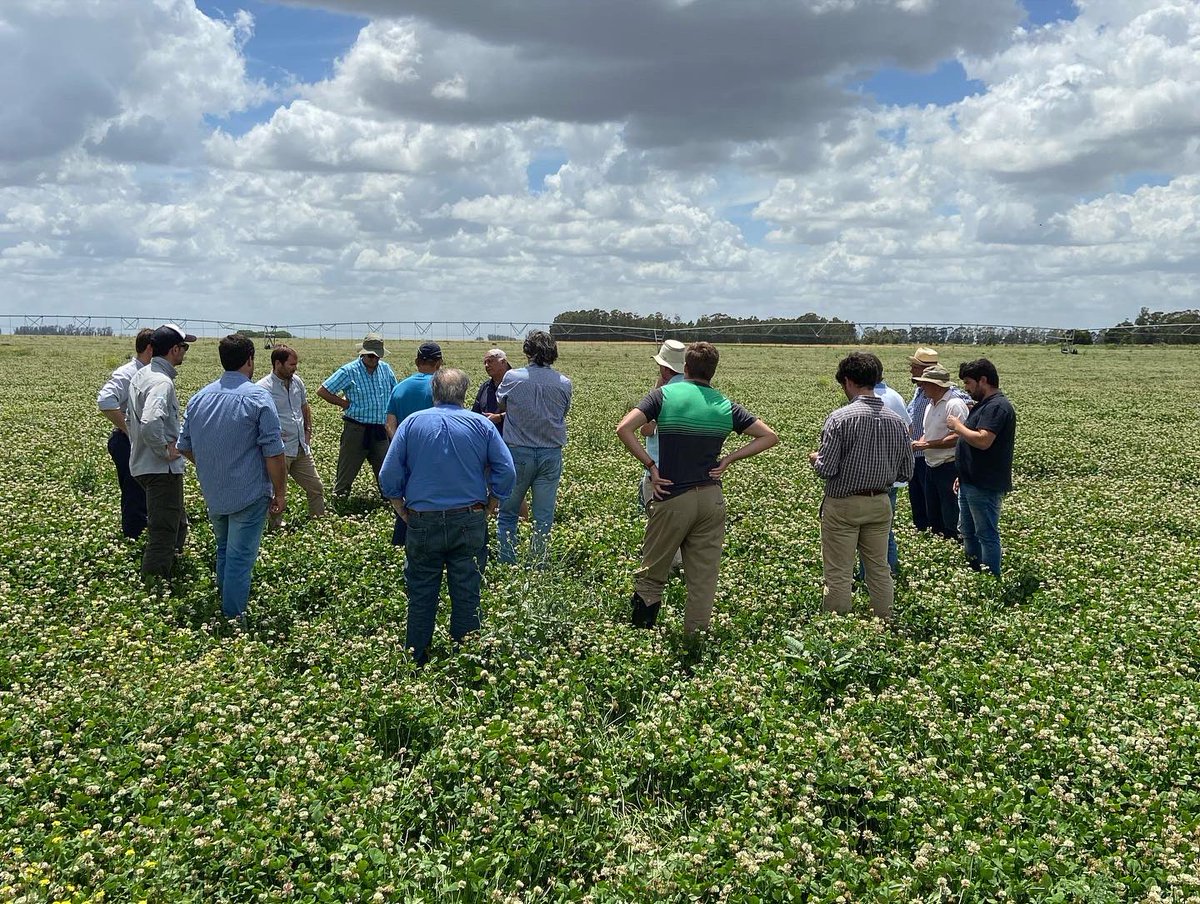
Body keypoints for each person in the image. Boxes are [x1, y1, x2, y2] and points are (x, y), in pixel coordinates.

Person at [616, 341, 778, 635]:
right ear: (712, 371)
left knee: (652, 573)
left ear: (686, 367)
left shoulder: (664, 395)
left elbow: (624, 428)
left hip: (672, 496)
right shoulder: (725, 405)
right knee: (703, 579)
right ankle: (695, 638)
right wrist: (729, 459)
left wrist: (651, 466)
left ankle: (641, 635)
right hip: (712, 499)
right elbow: (769, 436)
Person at [379, 368, 516, 665]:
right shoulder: (481, 424)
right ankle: (465, 662)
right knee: (467, 593)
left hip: (422, 519)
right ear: (464, 394)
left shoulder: (411, 423)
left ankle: (416, 660)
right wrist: (492, 504)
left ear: (434, 392)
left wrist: (401, 508)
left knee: (421, 593)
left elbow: (388, 475)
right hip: (469, 517)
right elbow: (507, 471)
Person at [178, 335, 287, 620]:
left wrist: (214, 466)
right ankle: (233, 617)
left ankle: (224, 604)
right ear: (250, 360)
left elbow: (184, 445)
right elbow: (274, 452)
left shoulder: (199, 397)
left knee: (225, 549)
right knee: (240, 557)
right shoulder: (257, 397)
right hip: (249, 492)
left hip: (215, 490)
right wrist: (280, 492)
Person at [809, 352, 914, 620]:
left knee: (839, 571)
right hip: (880, 503)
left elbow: (826, 469)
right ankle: (884, 619)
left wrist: (815, 459)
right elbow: (906, 471)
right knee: (879, 568)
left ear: (848, 381)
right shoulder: (897, 421)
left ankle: (838, 625)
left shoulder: (840, 418)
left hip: (843, 505)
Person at [496, 330, 573, 565]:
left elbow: (501, 403)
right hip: (550, 453)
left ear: (527, 351)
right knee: (543, 517)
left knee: (508, 513)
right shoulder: (564, 383)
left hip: (518, 452)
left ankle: (507, 563)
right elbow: (563, 412)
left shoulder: (512, 377)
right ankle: (538, 563)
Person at [127, 323, 196, 585]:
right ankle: (155, 584)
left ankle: (172, 571)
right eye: (184, 347)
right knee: (163, 531)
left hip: (144, 464)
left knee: (177, 523)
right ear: (174, 349)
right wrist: (165, 450)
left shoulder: (141, 375)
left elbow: (134, 418)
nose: (185, 352)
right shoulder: (161, 382)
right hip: (160, 469)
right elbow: (150, 421)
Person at [946, 358, 1017, 576]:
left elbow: (983, 440)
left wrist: (958, 426)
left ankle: (990, 578)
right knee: (968, 532)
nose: (966, 389)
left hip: (984, 484)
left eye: (968, 383)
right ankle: (974, 572)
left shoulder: (997, 407)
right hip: (970, 481)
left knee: (986, 533)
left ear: (983, 380)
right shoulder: (985, 405)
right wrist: (962, 474)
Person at [316, 333, 397, 500]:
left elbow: (394, 392)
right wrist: (344, 404)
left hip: (380, 429)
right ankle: (340, 499)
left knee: (386, 470)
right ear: (363, 353)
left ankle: (389, 501)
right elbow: (323, 391)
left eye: (377, 356)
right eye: (371, 355)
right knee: (347, 469)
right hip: (356, 428)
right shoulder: (349, 371)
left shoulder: (385, 369)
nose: (374, 359)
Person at [256, 345, 326, 530]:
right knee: (276, 491)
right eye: (291, 364)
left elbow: (304, 406)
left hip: (301, 446)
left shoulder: (297, 382)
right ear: (278, 364)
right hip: (279, 450)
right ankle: (273, 527)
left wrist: (308, 430)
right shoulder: (262, 388)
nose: (295, 368)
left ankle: (319, 524)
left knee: (316, 487)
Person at [96, 328, 153, 539]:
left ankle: (142, 538)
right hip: (127, 442)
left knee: (144, 494)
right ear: (150, 349)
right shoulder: (129, 373)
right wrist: (129, 430)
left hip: (140, 442)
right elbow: (105, 400)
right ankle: (134, 539)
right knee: (135, 495)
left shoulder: (148, 373)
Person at [384, 342, 443, 545]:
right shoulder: (440, 388)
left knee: (408, 499)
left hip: (405, 455)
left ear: (417, 362)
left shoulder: (399, 387)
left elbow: (389, 424)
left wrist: (400, 447)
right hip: (433, 456)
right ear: (439, 363)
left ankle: (404, 541)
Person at [910, 365, 969, 541]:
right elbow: (928, 432)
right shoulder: (930, 404)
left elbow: (959, 437)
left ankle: (954, 544)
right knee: (933, 513)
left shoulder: (954, 404)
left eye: (925, 384)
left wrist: (926, 444)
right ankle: (940, 541)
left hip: (948, 466)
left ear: (936, 385)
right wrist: (920, 443)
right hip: (931, 465)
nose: (922, 387)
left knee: (950, 514)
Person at [905, 347, 941, 532]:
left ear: (925, 369)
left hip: (928, 455)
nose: (911, 370)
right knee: (917, 500)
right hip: (915, 455)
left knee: (930, 503)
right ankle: (922, 531)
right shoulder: (919, 390)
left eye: (914, 366)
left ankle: (933, 533)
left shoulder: (942, 391)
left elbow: (962, 400)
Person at [471, 348, 511, 432]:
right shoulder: (485, 387)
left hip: (510, 437)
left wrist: (500, 417)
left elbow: (524, 411)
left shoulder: (516, 384)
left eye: (490, 361)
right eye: (485, 362)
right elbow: (475, 412)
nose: (486, 365)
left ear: (503, 362)